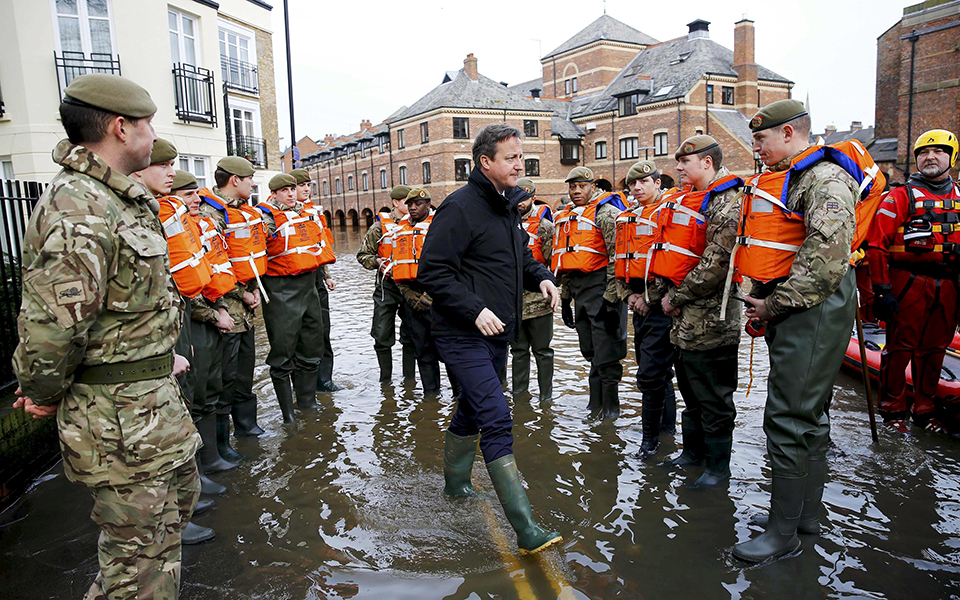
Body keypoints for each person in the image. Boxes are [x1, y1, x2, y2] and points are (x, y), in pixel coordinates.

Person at [12, 73, 200, 599]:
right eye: (148, 124)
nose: (153, 133)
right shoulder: (79, 206)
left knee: (159, 540)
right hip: (119, 422)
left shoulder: (118, 198)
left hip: (150, 407)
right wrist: (45, 393)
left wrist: (160, 357)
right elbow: (53, 324)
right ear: (120, 128)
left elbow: (127, 306)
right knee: (138, 561)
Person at [418, 123, 562, 555]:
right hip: (462, 332)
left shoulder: (504, 207)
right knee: (497, 415)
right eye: (510, 157)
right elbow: (432, 272)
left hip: (497, 332)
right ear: (485, 162)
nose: (520, 163)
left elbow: (519, 255)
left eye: (521, 156)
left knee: (473, 408)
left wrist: (543, 279)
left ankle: (456, 484)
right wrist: (474, 308)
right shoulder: (459, 208)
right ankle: (526, 530)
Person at [732, 99, 859, 562]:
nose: (756, 147)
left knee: (787, 416)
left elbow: (825, 262)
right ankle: (804, 516)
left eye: (761, 138)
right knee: (810, 414)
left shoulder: (822, 178)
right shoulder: (797, 176)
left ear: (790, 134)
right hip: (807, 305)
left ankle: (782, 534)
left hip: (811, 306)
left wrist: (771, 306)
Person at [132, 141, 217, 545]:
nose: (171, 173)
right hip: (135, 353)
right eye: (164, 165)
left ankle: (180, 509)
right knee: (155, 436)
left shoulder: (152, 212)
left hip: (167, 328)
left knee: (179, 416)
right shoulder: (134, 213)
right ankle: (168, 523)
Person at [652, 136, 743, 489]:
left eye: (684, 162)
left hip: (713, 320)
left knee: (714, 397)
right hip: (684, 322)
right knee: (690, 391)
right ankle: (692, 455)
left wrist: (676, 297)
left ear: (707, 163)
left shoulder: (728, 203)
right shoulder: (689, 200)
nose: (678, 168)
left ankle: (718, 469)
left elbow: (715, 265)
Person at [867, 129, 960, 434]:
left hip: (949, 286)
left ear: (952, 157)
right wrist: (881, 289)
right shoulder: (900, 196)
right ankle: (893, 412)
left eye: (938, 152)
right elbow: (877, 245)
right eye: (922, 153)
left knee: (935, 349)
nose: (929, 157)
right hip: (908, 283)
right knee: (900, 348)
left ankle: (925, 410)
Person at [172, 169, 239, 482]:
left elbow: (213, 272)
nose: (197, 200)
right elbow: (184, 290)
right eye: (188, 196)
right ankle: (199, 468)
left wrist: (222, 307)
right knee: (196, 393)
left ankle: (212, 457)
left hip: (213, 315)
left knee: (212, 387)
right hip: (194, 322)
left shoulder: (198, 228)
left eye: (197, 194)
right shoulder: (173, 231)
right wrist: (214, 315)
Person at [199, 156, 266, 454]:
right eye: (250, 178)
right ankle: (222, 444)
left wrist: (252, 291)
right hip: (227, 308)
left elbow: (247, 255)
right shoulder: (212, 214)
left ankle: (246, 426)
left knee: (244, 369)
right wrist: (243, 294)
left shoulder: (245, 212)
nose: (253, 183)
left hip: (247, 309)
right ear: (235, 180)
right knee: (224, 376)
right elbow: (215, 264)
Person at [614, 160, 678, 459]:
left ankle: (650, 441)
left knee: (652, 373)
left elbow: (674, 265)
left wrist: (647, 298)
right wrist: (629, 294)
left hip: (661, 305)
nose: (637, 188)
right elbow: (622, 263)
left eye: (643, 182)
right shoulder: (628, 218)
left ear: (657, 183)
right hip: (638, 303)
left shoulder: (670, 212)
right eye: (632, 185)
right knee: (655, 372)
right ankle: (666, 430)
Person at [554, 166, 628, 419]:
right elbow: (568, 261)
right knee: (591, 351)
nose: (576, 191)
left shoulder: (606, 214)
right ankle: (595, 405)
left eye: (581, 186)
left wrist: (611, 299)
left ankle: (611, 410)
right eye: (572, 187)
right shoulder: (571, 216)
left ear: (592, 186)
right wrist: (565, 300)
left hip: (602, 291)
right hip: (579, 291)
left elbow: (616, 258)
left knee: (607, 353)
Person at [255, 173, 326, 422]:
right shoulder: (265, 218)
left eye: (292, 189)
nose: (290, 194)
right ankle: (288, 415)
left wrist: (324, 276)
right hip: (280, 289)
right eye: (284, 190)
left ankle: (307, 402)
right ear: (273, 193)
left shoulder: (306, 213)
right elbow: (254, 254)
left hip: (308, 287)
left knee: (311, 346)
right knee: (283, 351)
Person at [357, 184, 417, 383]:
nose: (412, 206)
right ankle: (386, 381)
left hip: (411, 286)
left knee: (411, 335)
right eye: (407, 203)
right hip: (387, 286)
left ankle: (410, 381)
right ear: (396, 203)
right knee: (382, 334)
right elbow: (363, 255)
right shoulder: (379, 227)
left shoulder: (420, 224)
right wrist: (377, 262)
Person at [289, 169, 339, 394]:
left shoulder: (315, 213)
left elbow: (319, 248)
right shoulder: (281, 215)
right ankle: (301, 383)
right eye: (301, 185)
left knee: (323, 329)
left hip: (317, 277)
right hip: (295, 281)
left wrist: (326, 275)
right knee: (299, 334)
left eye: (308, 185)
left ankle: (325, 380)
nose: (306, 189)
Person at [392, 187, 444, 395]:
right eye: (410, 204)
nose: (413, 207)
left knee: (448, 349)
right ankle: (431, 397)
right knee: (422, 350)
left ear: (428, 204)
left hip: (438, 297)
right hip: (411, 297)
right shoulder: (399, 229)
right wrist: (407, 294)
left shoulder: (440, 226)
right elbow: (396, 264)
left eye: (418, 204)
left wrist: (431, 296)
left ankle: (460, 396)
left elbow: (451, 265)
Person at [511, 179, 555, 405]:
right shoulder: (505, 223)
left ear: (533, 199)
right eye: (516, 197)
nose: (520, 203)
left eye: (525, 198)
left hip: (539, 301)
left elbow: (549, 261)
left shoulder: (545, 227)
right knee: (518, 351)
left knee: (543, 351)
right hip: (513, 302)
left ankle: (546, 398)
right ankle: (519, 397)